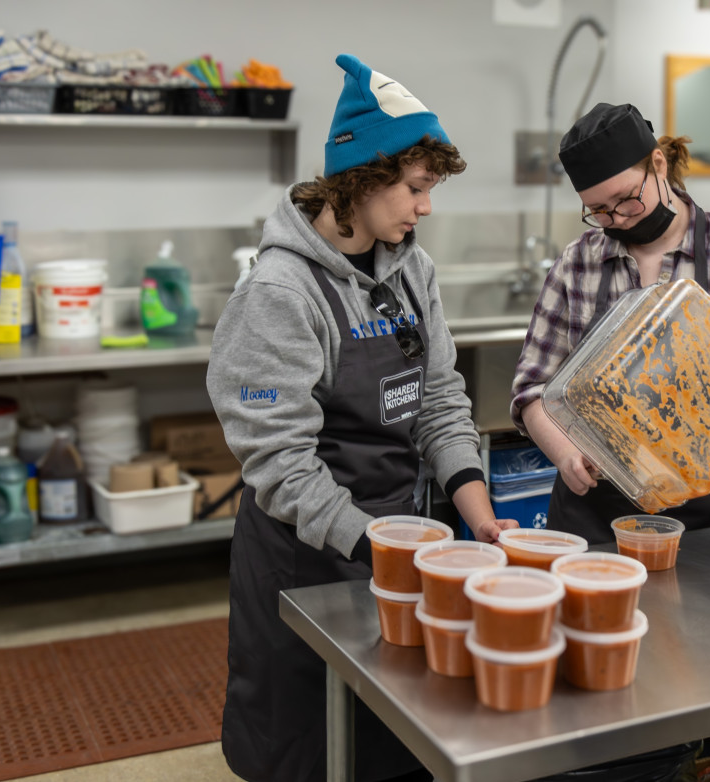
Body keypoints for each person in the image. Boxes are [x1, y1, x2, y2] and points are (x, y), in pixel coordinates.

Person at [207, 54, 517, 782]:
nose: (425, 208)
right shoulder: (281, 292)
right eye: (415, 188)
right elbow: (280, 461)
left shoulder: (412, 268)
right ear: (363, 177)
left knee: (399, 739)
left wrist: (480, 515)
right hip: (305, 557)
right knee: (307, 747)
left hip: (394, 540)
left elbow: (439, 398)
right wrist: (380, 547)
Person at [511, 102, 710, 546]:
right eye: (598, 210)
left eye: (626, 198)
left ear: (659, 164)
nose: (616, 218)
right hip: (598, 512)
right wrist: (566, 455)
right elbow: (532, 390)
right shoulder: (577, 264)